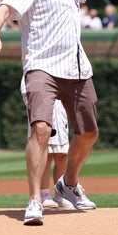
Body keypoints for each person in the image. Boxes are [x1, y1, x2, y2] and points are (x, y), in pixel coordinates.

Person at [0, 0, 104, 225]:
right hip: (41, 67)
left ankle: (69, 184)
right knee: (40, 130)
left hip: (76, 68)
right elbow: (5, 8)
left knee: (89, 133)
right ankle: (35, 199)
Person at [21, 79, 74, 210]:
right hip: (43, 113)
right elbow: (27, 91)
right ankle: (44, 195)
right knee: (47, 154)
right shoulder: (32, 70)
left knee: (62, 155)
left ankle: (60, 195)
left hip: (60, 113)